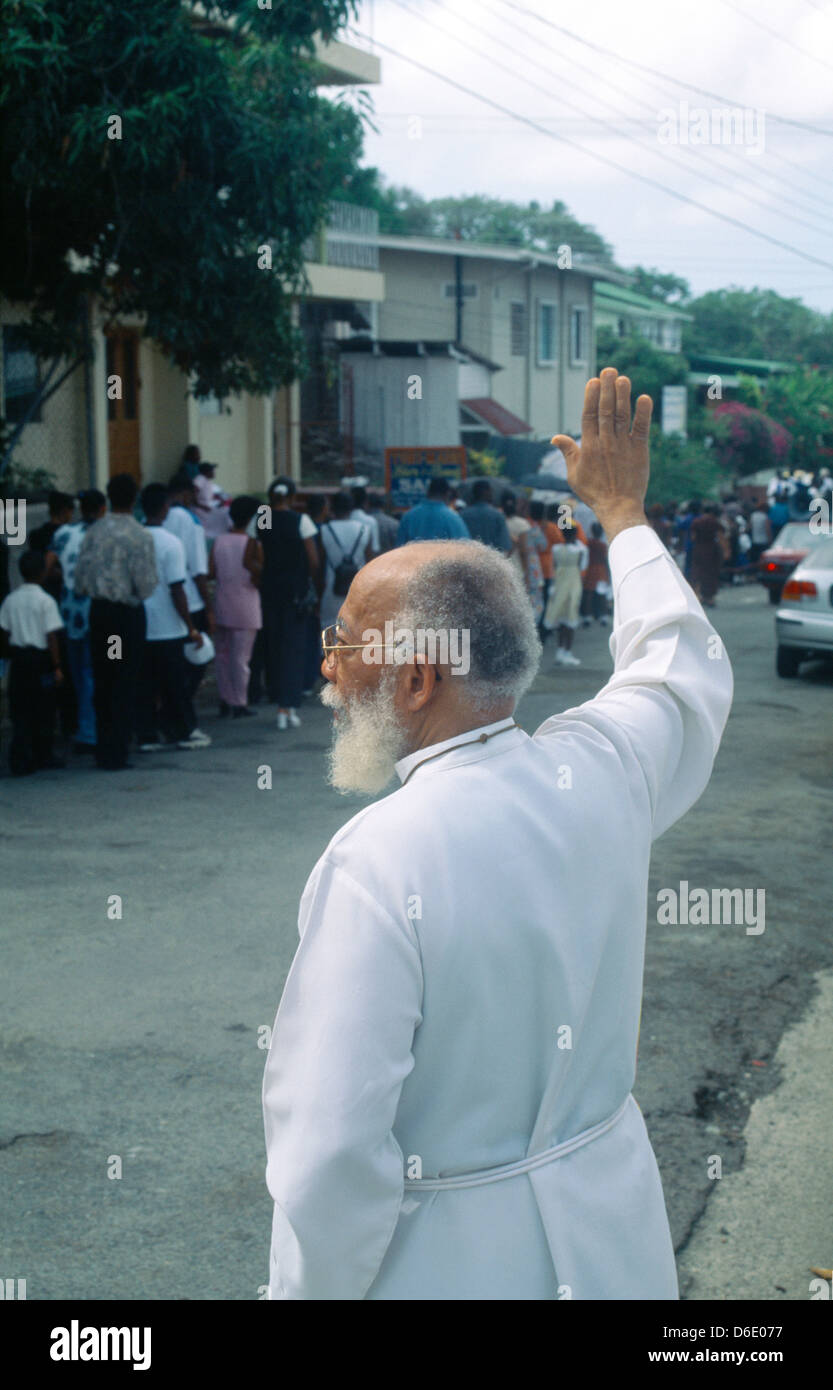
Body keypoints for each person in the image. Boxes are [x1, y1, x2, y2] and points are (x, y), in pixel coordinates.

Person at [261, 367, 734, 1301]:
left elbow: (326, 1151)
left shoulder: (377, 856)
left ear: (417, 681)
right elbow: (679, 666)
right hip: (614, 1248)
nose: (327, 666)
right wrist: (623, 514)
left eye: (348, 641)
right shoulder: (604, 769)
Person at [74, 473, 157, 771]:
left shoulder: (93, 532)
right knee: (124, 679)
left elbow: (80, 581)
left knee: (104, 678)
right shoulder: (140, 535)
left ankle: (103, 745)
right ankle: (117, 750)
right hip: (125, 617)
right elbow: (146, 585)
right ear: (134, 498)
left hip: (100, 615)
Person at [137, 483, 209, 751]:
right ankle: (183, 730)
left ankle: (147, 735)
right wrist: (191, 626)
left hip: (140, 623)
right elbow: (177, 588)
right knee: (175, 684)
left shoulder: (136, 537)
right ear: (165, 508)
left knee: (145, 682)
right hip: (168, 625)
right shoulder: (171, 543)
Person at [47, 488, 107, 753]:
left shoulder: (63, 534)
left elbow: (48, 567)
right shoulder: (110, 535)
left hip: (70, 616)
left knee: (81, 673)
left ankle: (85, 729)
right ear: (103, 508)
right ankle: (98, 729)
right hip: (102, 618)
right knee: (106, 669)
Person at [258, 477, 319, 730]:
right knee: (293, 648)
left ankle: (278, 700)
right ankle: (288, 705)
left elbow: (252, 555)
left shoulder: (262, 518)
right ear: (292, 497)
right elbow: (313, 560)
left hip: (269, 592)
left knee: (274, 647)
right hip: (296, 594)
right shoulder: (301, 521)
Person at [0, 549, 65, 775]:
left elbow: (5, 632)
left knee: (21, 711)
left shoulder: (10, 600)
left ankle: (20, 758)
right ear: (42, 574)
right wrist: (57, 666)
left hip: (19, 659)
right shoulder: (45, 601)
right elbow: (51, 636)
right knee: (44, 709)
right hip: (41, 660)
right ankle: (42, 754)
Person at [165, 471, 214, 742]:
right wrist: (208, 607)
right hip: (189, 600)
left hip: (159, 603)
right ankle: (183, 720)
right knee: (197, 660)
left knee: (169, 666)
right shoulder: (189, 520)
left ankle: (167, 718)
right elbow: (199, 569)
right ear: (185, 493)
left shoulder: (151, 520)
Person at [209, 495, 263, 718]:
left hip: (222, 601)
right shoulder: (255, 544)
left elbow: (210, 572)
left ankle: (225, 698)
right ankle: (239, 701)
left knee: (222, 655)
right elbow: (259, 576)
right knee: (241, 658)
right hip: (246, 605)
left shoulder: (219, 541)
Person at [320, 491, 371, 631]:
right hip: (358, 590)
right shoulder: (364, 529)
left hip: (331, 590)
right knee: (356, 632)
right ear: (352, 508)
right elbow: (371, 563)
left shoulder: (325, 530)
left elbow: (319, 564)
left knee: (330, 632)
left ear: (332, 508)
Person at [543, 518, 588, 665]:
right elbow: (582, 567)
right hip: (574, 584)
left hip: (559, 584)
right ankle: (567, 652)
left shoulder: (556, 549)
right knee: (571, 616)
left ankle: (560, 651)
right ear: (575, 534)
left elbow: (554, 567)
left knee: (561, 618)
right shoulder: (580, 550)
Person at [397, 476, 470, 543]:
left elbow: (399, 548)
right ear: (447, 494)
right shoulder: (453, 518)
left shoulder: (409, 517)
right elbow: (465, 548)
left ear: (428, 492)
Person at [460, 480, 512, 553]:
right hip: (492, 560)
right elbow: (505, 544)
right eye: (491, 491)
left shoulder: (463, 515)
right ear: (486, 492)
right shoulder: (498, 515)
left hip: (469, 559)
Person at [689, 504, 725, 607]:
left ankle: (697, 595)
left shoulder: (696, 522)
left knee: (697, 572)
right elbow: (720, 536)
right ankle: (709, 597)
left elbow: (693, 537)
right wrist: (725, 551)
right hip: (711, 550)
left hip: (698, 550)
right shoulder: (714, 522)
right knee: (711, 574)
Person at [580, 521, 611, 628]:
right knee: (602, 595)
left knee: (588, 594)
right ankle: (604, 616)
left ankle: (587, 617)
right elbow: (605, 560)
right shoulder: (603, 545)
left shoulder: (588, 544)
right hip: (601, 570)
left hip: (590, 570)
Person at [193, 462, 231, 541]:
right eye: (212, 470)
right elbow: (193, 493)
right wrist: (201, 506)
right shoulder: (200, 478)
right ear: (207, 472)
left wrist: (219, 501)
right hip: (201, 510)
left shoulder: (207, 481)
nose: (214, 472)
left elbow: (206, 495)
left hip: (207, 507)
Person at [350, 486, 379, 560]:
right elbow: (375, 549)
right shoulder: (370, 521)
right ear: (365, 501)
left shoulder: (343, 520)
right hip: (363, 568)